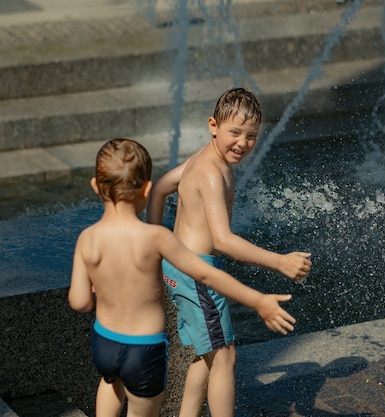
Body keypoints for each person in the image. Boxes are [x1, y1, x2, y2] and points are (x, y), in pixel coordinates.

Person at [68, 138, 296, 417]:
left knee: (110, 384)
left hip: (104, 341)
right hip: (143, 349)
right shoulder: (157, 238)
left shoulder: (87, 239)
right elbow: (204, 273)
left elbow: (79, 302)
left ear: (95, 186)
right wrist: (258, 300)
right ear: (146, 189)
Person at [147, 87, 312, 417]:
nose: (242, 142)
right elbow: (223, 240)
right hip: (198, 273)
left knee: (206, 356)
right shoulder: (211, 173)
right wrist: (279, 261)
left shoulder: (201, 159)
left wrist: (157, 242)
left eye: (251, 136)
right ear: (213, 125)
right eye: (234, 132)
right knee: (225, 356)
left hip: (183, 268)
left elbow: (160, 188)